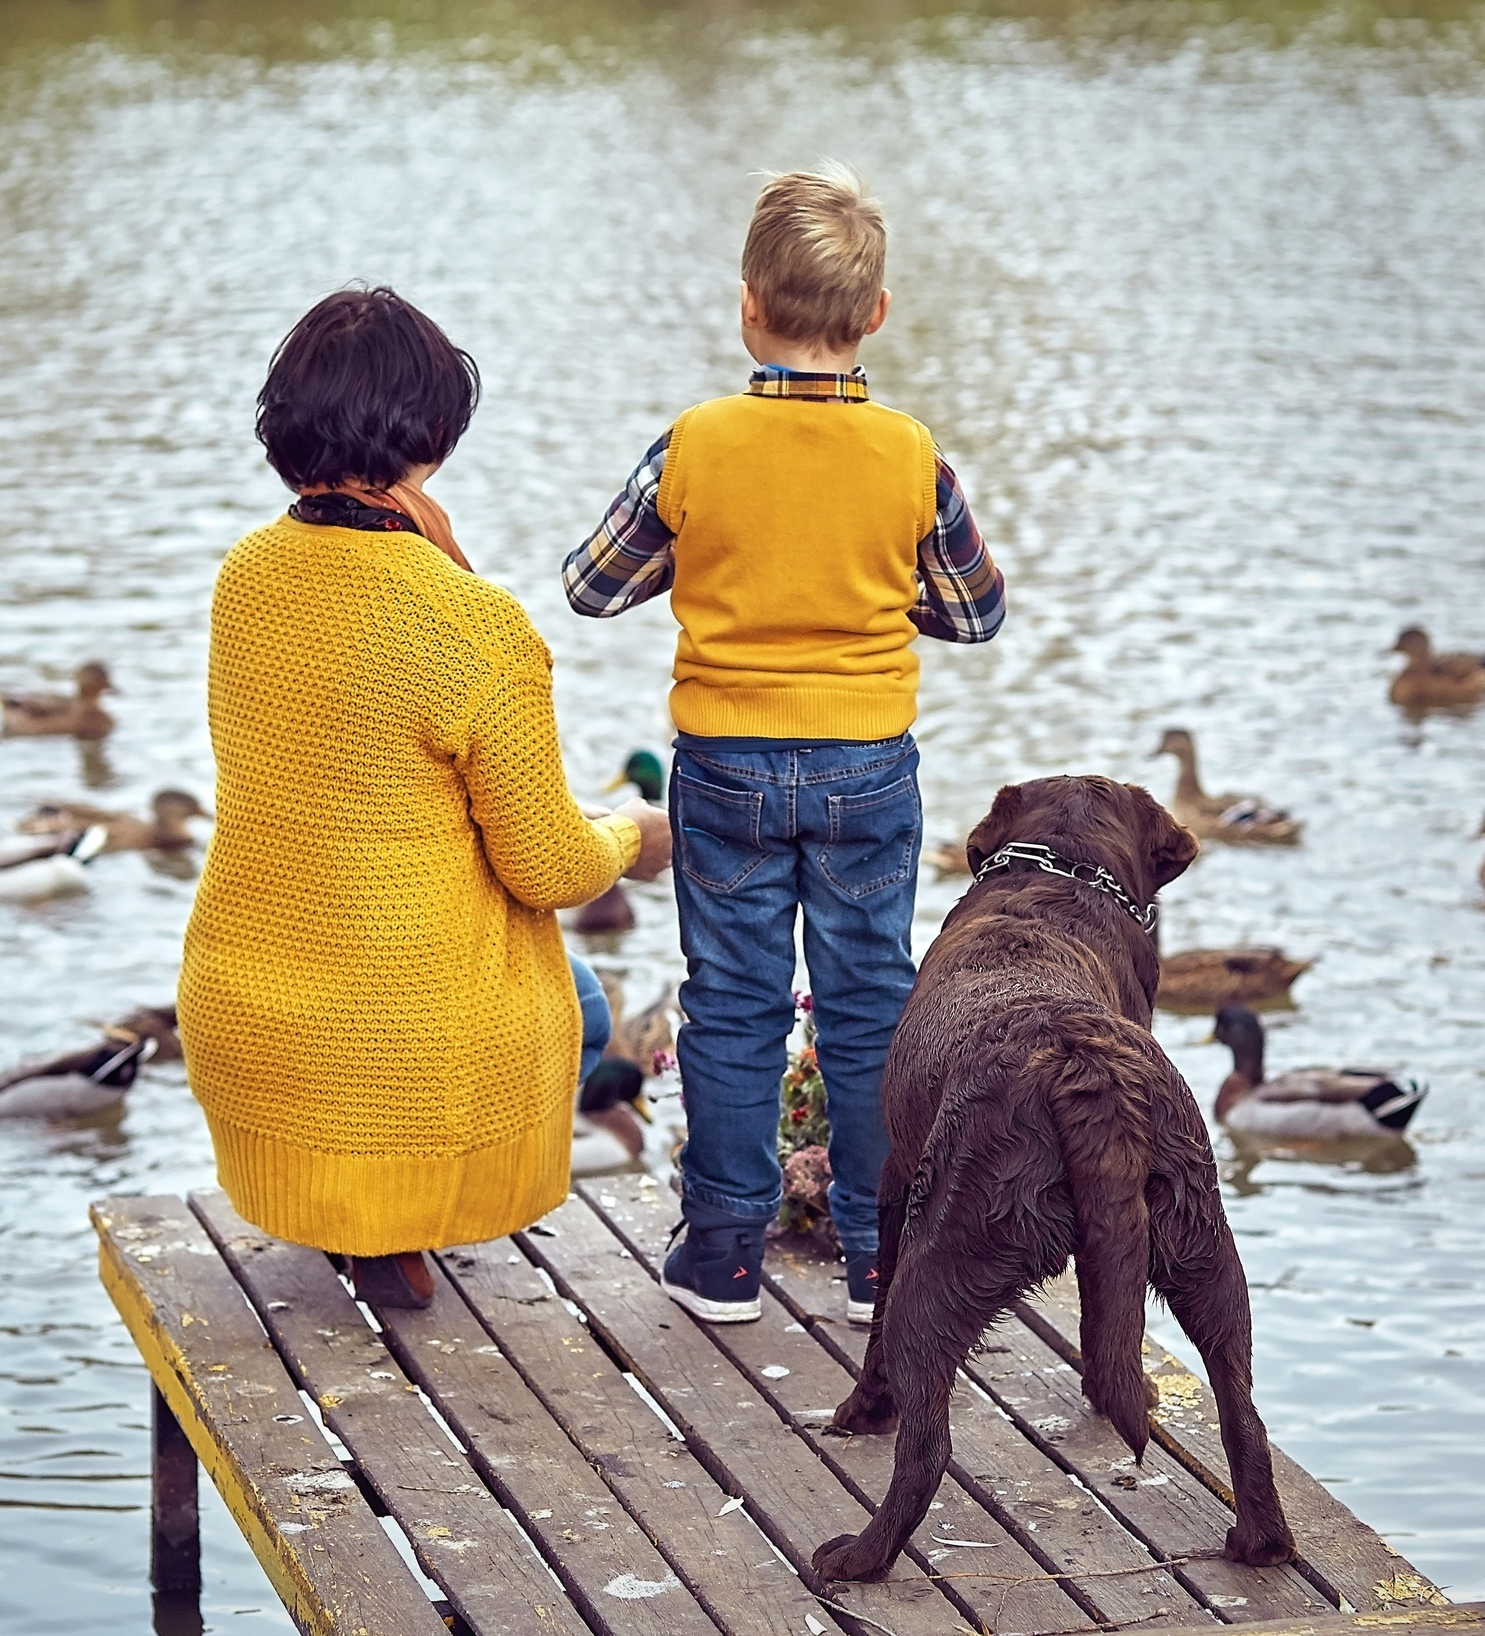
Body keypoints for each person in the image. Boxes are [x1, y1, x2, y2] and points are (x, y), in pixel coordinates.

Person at [561, 165, 1006, 1325]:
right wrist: (867, 597)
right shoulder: (913, 456)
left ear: (748, 306)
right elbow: (975, 613)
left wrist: (708, 563)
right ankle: (876, 1258)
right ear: (877, 314)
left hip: (726, 767)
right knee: (869, 1010)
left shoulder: (694, 444)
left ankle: (721, 1256)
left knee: (732, 1007)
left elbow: (591, 587)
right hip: (867, 764)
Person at [181, 286, 672, 1311]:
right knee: (584, 1004)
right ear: (432, 439)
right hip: (386, 1061)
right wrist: (634, 836)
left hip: (246, 1023)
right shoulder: (472, 623)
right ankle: (399, 1216)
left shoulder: (244, 576)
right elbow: (549, 869)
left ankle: (350, 1210)